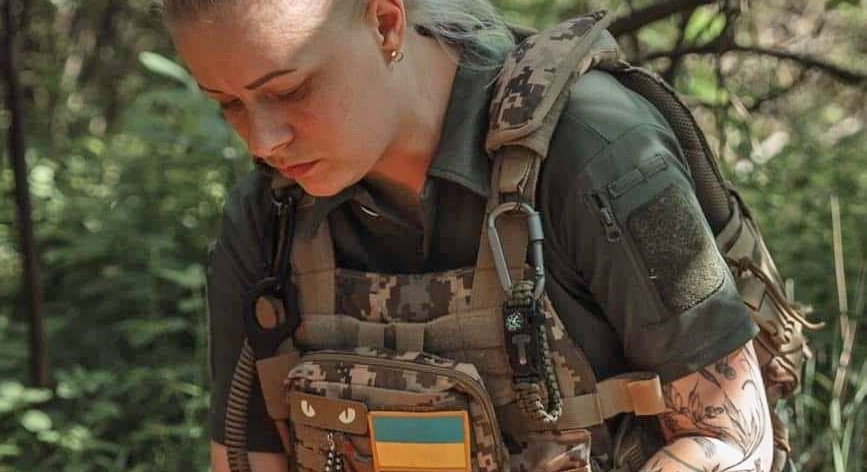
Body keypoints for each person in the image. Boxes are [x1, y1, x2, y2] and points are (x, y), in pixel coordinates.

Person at [162, 0, 773, 471]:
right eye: (227, 104)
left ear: (385, 23)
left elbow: (730, 440)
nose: (263, 140)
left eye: (289, 90)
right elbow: (247, 459)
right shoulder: (269, 218)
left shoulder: (593, 149)